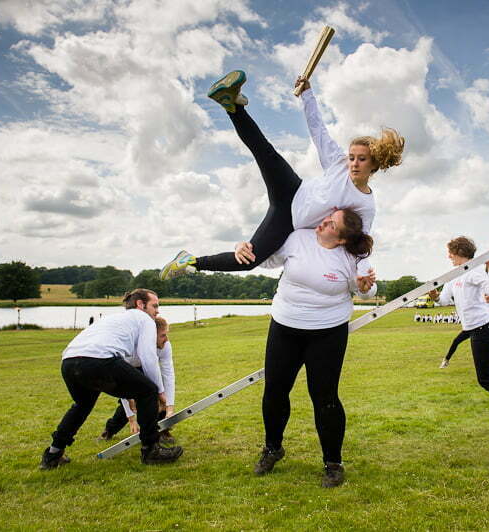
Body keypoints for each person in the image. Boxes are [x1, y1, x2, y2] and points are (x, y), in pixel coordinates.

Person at [159, 70, 404, 279]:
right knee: (264, 151)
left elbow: (361, 243)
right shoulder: (338, 164)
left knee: (250, 259)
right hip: (292, 188)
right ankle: (231, 104)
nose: (353, 163)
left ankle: (190, 262)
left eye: (361, 159)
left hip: (288, 220)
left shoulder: (364, 204)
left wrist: (364, 273)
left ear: (375, 165)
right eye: (352, 157)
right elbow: (318, 130)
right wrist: (307, 94)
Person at [252, 208, 376, 488]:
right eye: (327, 217)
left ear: (342, 238)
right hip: (285, 325)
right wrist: (247, 248)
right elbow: (268, 260)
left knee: (325, 397)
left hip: (328, 332)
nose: (323, 222)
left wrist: (366, 286)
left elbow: (366, 289)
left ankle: (333, 463)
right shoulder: (298, 238)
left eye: (331, 223)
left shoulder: (352, 257)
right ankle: (273, 448)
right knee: (275, 389)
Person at [40, 289, 183, 469]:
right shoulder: (145, 319)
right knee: (148, 390)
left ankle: (53, 454)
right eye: (155, 306)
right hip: (99, 360)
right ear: (140, 304)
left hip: (69, 362)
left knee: (82, 405)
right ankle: (151, 450)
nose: (157, 311)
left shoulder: (114, 319)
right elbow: (148, 357)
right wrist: (160, 392)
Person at [429, 237, 489, 441]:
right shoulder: (454, 276)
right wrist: (434, 296)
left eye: (450, 252)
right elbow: (444, 300)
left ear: (459, 252)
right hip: (472, 329)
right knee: (486, 378)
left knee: (486, 378)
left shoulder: (472, 272)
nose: (448, 256)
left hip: (483, 328)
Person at [99, 316, 178, 443]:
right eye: (163, 335)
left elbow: (168, 375)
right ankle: (110, 430)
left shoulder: (165, 346)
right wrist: (132, 419)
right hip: (130, 369)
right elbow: (122, 387)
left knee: (157, 395)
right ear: (152, 336)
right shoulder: (131, 350)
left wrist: (170, 407)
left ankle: (162, 431)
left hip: (149, 368)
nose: (166, 339)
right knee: (130, 402)